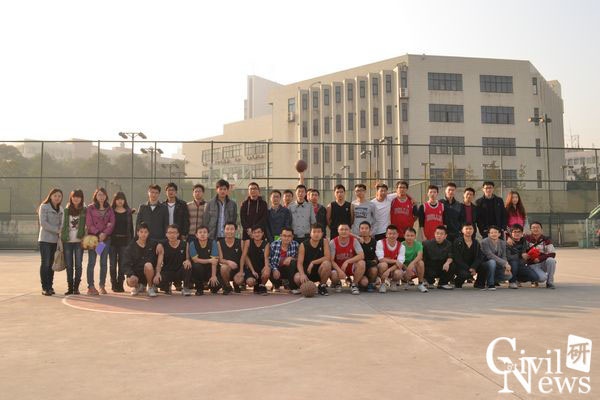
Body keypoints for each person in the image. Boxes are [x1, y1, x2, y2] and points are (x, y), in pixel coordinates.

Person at [85, 187, 115, 295]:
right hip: (93, 239)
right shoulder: (90, 208)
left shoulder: (109, 209)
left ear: (106, 196)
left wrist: (104, 233)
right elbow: (89, 224)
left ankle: (102, 286)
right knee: (91, 262)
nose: (101, 197)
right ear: (95, 196)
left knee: (103, 263)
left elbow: (112, 223)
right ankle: (91, 286)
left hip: (105, 240)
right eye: (99, 194)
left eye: (103, 194)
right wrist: (98, 233)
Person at [124, 223, 164, 297]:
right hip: (136, 274)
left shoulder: (153, 243)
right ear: (137, 233)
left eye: (145, 232)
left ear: (148, 233)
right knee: (131, 281)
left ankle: (150, 287)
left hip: (149, 273)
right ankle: (137, 287)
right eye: (141, 232)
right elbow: (126, 264)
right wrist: (131, 274)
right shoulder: (131, 247)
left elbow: (163, 242)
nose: (143, 234)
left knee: (148, 265)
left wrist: (160, 244)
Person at [38, 188, 64, 296]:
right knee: (45, 263)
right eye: (55, 195)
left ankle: (50, 286)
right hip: (45, 239)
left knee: (52, 264)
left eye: (59, 196)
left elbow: (62, 223)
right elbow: (43, 223)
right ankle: (45, 287)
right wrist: (57, 230)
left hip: (55, 241)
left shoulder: (61, 208)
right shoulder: (44, 207)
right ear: (50, 196)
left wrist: (61, 231)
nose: (57, 198)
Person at [155, 224, 193, 296]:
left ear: (178, 234)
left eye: (174, 233)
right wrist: (157, 274)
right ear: (166, 234)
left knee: (188, 265)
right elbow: (159, 263)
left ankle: (185, 288)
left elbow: (187, 259)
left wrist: (188, 260)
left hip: (179, 271)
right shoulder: (163, 245)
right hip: (167, 271)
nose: (172, 235)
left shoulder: (185, 244)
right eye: (169, 233)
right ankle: (167, 286)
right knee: (158, 281)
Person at [61, 189, 86, 295]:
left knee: (78, 265)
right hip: (67, 241)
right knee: (69, 265)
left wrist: (85, 237)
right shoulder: (66, 210)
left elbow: (87, 225)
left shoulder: (84, 210)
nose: (76, 198)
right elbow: (62, 224)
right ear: (71, 198)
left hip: (79, 241)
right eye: (74, 196)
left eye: (78, 197)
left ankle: (76, 288)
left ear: (81, 198)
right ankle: (70, 287)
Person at [295, 224, 331, 296]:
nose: (316, 234)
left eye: (318, 232)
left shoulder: (324, 241)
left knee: (327, 264)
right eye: (314, 232)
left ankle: (322, 286)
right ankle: (306, 287)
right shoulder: (303, 245)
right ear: (310, 233)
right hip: (307, 272)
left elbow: (327, 257)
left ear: (322, 234)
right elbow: (299, 263)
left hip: (320, 271)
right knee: (297, 277)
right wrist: (302, 274)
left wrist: (313, 262)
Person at [330, 223, 365, 295]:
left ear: (349, 231)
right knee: (334, 275)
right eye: (341, 229)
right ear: (338, 231)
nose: (344, 231)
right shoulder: (333, 242)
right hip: (338, 267)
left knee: (362, 263)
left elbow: (361, 255)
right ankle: (337, 283)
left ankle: (354, 284)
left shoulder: (354, 240)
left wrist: (347, 261)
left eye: (346, 229)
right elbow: (331, 260)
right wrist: (339, 271)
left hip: (350, 266)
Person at [109, 191, 134, 293]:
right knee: (112, 264)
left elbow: (131, 228)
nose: (120, 201)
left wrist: (132, 242)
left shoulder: (128, 212)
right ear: (115, 200)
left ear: (124, 200)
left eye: (122, 199)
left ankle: (120, 284)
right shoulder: (110, 211)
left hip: (124, 242)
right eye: (118, 199)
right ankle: (114, 284)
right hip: (112, 241)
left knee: (122, 264)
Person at [188, 226, 220, 295]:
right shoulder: (192, 243)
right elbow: (195, 260)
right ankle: (199, 288)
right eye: (200, 232)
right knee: (196, 266)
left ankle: (211, 286)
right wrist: (209, 260)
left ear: (208, 234)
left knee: (216, 287)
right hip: (199, 269)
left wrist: (213, 276)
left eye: (205, 232)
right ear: (196, 235)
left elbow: (214, 261)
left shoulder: (213, 242)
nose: (202, 234)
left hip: (210, 268)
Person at [525, 222, 557, 289]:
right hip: (532, 264)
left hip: (543, 263)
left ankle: (550, 282)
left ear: (541, 229)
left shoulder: (546, 239)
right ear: (530, 229)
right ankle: (534, 279)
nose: (535, 229)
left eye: (537, 227)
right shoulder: (526, 239)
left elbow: (552, 254)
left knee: (551, 260)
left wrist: (540, 258)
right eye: (533, 228)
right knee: (542, 278)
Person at [479, 226, 512, 290]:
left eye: (496, 232)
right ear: (488, 234)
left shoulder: (502, 243)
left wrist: (506, 265)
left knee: (509, 276)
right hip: (485, 264)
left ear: (499, 234)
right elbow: (490, 255)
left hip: (498, 264)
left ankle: (491, 279)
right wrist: (504, 263)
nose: (494, 234)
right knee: (492, 262)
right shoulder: (484, 242)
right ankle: (490, 284)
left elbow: (504, 256)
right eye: (492, 233)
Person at [375, 224, 406, 293]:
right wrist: (395, 261)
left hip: (393, 269)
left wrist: (388, 271)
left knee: (399, 273)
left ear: (397, 235)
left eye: (394, 234)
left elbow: (400, 264)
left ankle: (393, 282)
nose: (392, 235)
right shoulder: (380, 243)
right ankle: (382, 283)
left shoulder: (402, 246)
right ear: (386, 235)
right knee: (383, 265)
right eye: (390, 234)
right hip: (383, 267)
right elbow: (381, 259)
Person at [241, 225, 271, 295]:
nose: (257, 234)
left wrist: (266, 267)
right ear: (252, 234)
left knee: (267, 270)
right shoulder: (248, 242)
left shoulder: (266, 244)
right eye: (255, 232)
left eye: (259, 232)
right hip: (251, 269)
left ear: (262, 233)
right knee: (250, 282)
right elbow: (245, 257)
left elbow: (266, 257)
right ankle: (256, 284)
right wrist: (252, 271)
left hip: (261, 268)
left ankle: (262, 285)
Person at [422, 225, 454, 290]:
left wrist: (447, 263)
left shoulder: (448, 244)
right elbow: (423, 258)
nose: (439, 235)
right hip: (430, 268)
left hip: (442, 267)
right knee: (422, 263)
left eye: (441, 234)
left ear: (445, 236)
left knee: (452, 264)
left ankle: (442, 283)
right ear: (434, 234)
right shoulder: (427, 244)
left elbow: (450, 256)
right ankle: (429, 282)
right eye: (437, 233)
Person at [268, 227, 299, 292]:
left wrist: (291, 258)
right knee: (268, 269)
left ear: (292, 237)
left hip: (288, 271)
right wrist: (274, 269)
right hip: (276, 270)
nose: (286, 238)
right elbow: (269, 260)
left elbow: (300, 259)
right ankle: (276, 284)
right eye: (284, 236)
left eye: (289, 236)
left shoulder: (296, 244)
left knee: (293, 262)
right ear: (281, 236)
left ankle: (292, 287)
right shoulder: (274, 244)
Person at [452, 223, 483, 289]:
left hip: (472, 265)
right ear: (462, 230)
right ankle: (457, 282)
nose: (468, 230)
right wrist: (469, 269)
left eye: (470, 229)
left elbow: (479, 257)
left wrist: (473, 267)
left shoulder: (476, 242)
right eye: (466, 229)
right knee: (466, 274)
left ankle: (479, 283)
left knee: (484, 266)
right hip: (461, 266)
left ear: (473, 230)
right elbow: (457, 259)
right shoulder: (457, 242)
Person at [217, 222, 243, 295]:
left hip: (237, 268)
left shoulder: (240, 242)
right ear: (224, 230)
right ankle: (227, 286)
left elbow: (244, 257)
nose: (229, 231)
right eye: (227, 229)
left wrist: (241, 270)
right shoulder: (219, 243)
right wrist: (228, 262)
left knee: (239, 280)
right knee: (223, 268)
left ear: (235, 230)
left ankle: (236, 284)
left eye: (232, 229)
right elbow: (220, 259)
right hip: (227, 269)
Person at [399, 227, 427, 293]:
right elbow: (399, 260)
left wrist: (412, 264)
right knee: (399, 271)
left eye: (412, 235)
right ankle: (405, 281)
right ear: (404, 236)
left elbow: (420, 256)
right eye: (408, 235)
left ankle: (420, 283)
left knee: (421, 263)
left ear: (415, 236)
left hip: (414, 267)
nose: (410, 237)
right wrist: (407, 269)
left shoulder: (418, 244)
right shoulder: (401, 245)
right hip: (403, 267)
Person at [358, 221, 379, 292]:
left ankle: (371, 283)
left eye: (366, 228)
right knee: (364, 283)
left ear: (370, 230)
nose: (364, 230)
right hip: (360, 267)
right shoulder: (356, 241)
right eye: (362, 228)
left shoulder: (375, 242)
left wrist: (375, 261)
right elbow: (348, 233)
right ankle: (359, 282)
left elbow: (377, 256)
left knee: (374, 270)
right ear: (359, 230)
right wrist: (357, 237)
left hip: (370, 266)